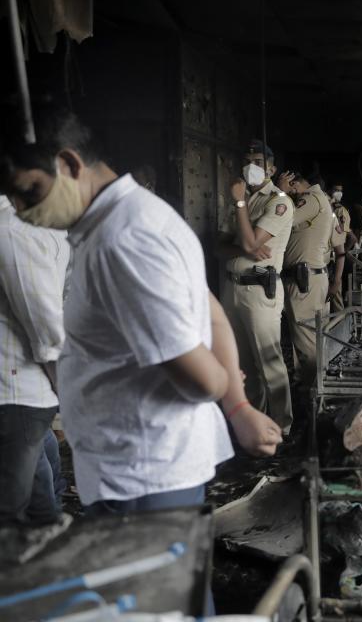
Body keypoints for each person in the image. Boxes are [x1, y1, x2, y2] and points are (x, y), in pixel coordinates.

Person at [0, 106, 282, 518]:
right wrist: (237, 405)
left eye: (29, 191)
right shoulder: (133, 217)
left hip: (140, 477)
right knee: (173, 581)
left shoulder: (123, 241)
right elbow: (212, 311)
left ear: (68, 164)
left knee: (153, 581)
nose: (22, 209)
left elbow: (201, 381)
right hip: (143, 466)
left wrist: (220, 380)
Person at [0, 193, 68, 525]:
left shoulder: (16, 228)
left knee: (40, 485)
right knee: (21, 508)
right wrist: (65, 391)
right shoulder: (12, 231)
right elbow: (46, 330)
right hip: (16, 391)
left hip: (21, 390)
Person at [217, 141, 294, 434]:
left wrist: (243, 238)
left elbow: (250, 243)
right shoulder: (242, 200)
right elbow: (218, 248)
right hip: (232, 288)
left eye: (259, 161)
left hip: (260, 291)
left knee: (269, 363)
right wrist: (244, 248)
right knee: (244, 364)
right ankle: (254, 424)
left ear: (272, 168)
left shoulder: (279, 201)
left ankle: (281, 426)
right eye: (247, 160)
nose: (252, 166)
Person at [281, 173, 345, 382]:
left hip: (304, 280)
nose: (291, 193)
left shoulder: (310, 199)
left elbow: (281, 219)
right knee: (314, 337)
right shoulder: (320, 200)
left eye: (292, 188)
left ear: (296, 184)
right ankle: (313, 388)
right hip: (312, 277)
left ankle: (313, 394)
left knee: (307, 340)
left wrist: (280, 193)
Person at [327, 182, 355, 312]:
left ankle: (339, 325)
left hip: (335, 257)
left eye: (341, 190)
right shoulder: (329, 207)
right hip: (329, 256)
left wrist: (342, 254)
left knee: (335, 295)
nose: (339, 192)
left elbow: (349, 237)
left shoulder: (339, 210)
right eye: (336, 189)